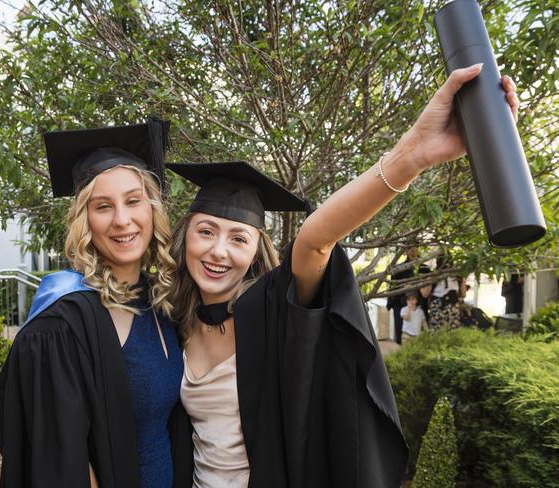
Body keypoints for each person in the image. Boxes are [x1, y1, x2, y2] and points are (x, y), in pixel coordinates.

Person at [165, 66, 519, 487]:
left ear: (255, 249)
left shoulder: (273, 309)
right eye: (206, 231)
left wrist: (413, 155)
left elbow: (315, 241)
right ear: (186, 236)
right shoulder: (172, 319)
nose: (218, 251)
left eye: (238, 238)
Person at [0, 120, 190, 488]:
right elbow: (62, 458)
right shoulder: (64, 320)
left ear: (152, 209)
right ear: (85, 220)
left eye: (133, 200)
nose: (122, 220)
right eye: (103, 206)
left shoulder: (157, 303)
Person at [386, 247, 418, 344]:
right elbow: (393, 285)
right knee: (400, 330)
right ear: (406, 251)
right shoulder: (400, 268)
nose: (413, 252)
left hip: (417, 303)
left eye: (415, 249)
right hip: (400, 302)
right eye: (411, 249)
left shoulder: (421, 267)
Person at [428, 256, 467, 332]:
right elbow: (425, 295)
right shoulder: (434, 275)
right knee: (437, 331)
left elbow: (463, 295)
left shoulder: (457, 276)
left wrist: (463, 280)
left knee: (452, 332)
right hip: (438, 305)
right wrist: (431, 280)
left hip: (453, 305)